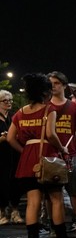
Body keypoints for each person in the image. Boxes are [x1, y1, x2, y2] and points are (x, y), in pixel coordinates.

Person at [6, 74, 76, 238]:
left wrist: (24, 151)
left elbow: (10, 138)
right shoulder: (49, 110)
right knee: (55, 199)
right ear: (44, 92)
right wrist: (63, 148)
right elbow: (50, 134)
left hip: (28, 161)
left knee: (33, 202)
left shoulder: (20, 113)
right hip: (47, 156)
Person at [47, 71, 76, 236]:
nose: (53, 86)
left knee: (75, 190)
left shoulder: (74, 107)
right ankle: (54, 226)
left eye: (57, 82)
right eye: (51, 83)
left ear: (64, 85)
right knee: (51, 193)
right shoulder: (45, 106)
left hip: (71, 155)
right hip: (50, 155)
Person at [0, 89, 23, 225]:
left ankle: (15, 211)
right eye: (5, 101)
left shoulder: (14, 117)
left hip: (14, 155)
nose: (9, 103)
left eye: (10, 100)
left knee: (16, 183)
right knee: (2, 183)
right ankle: (2, 212)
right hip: (1, 156)